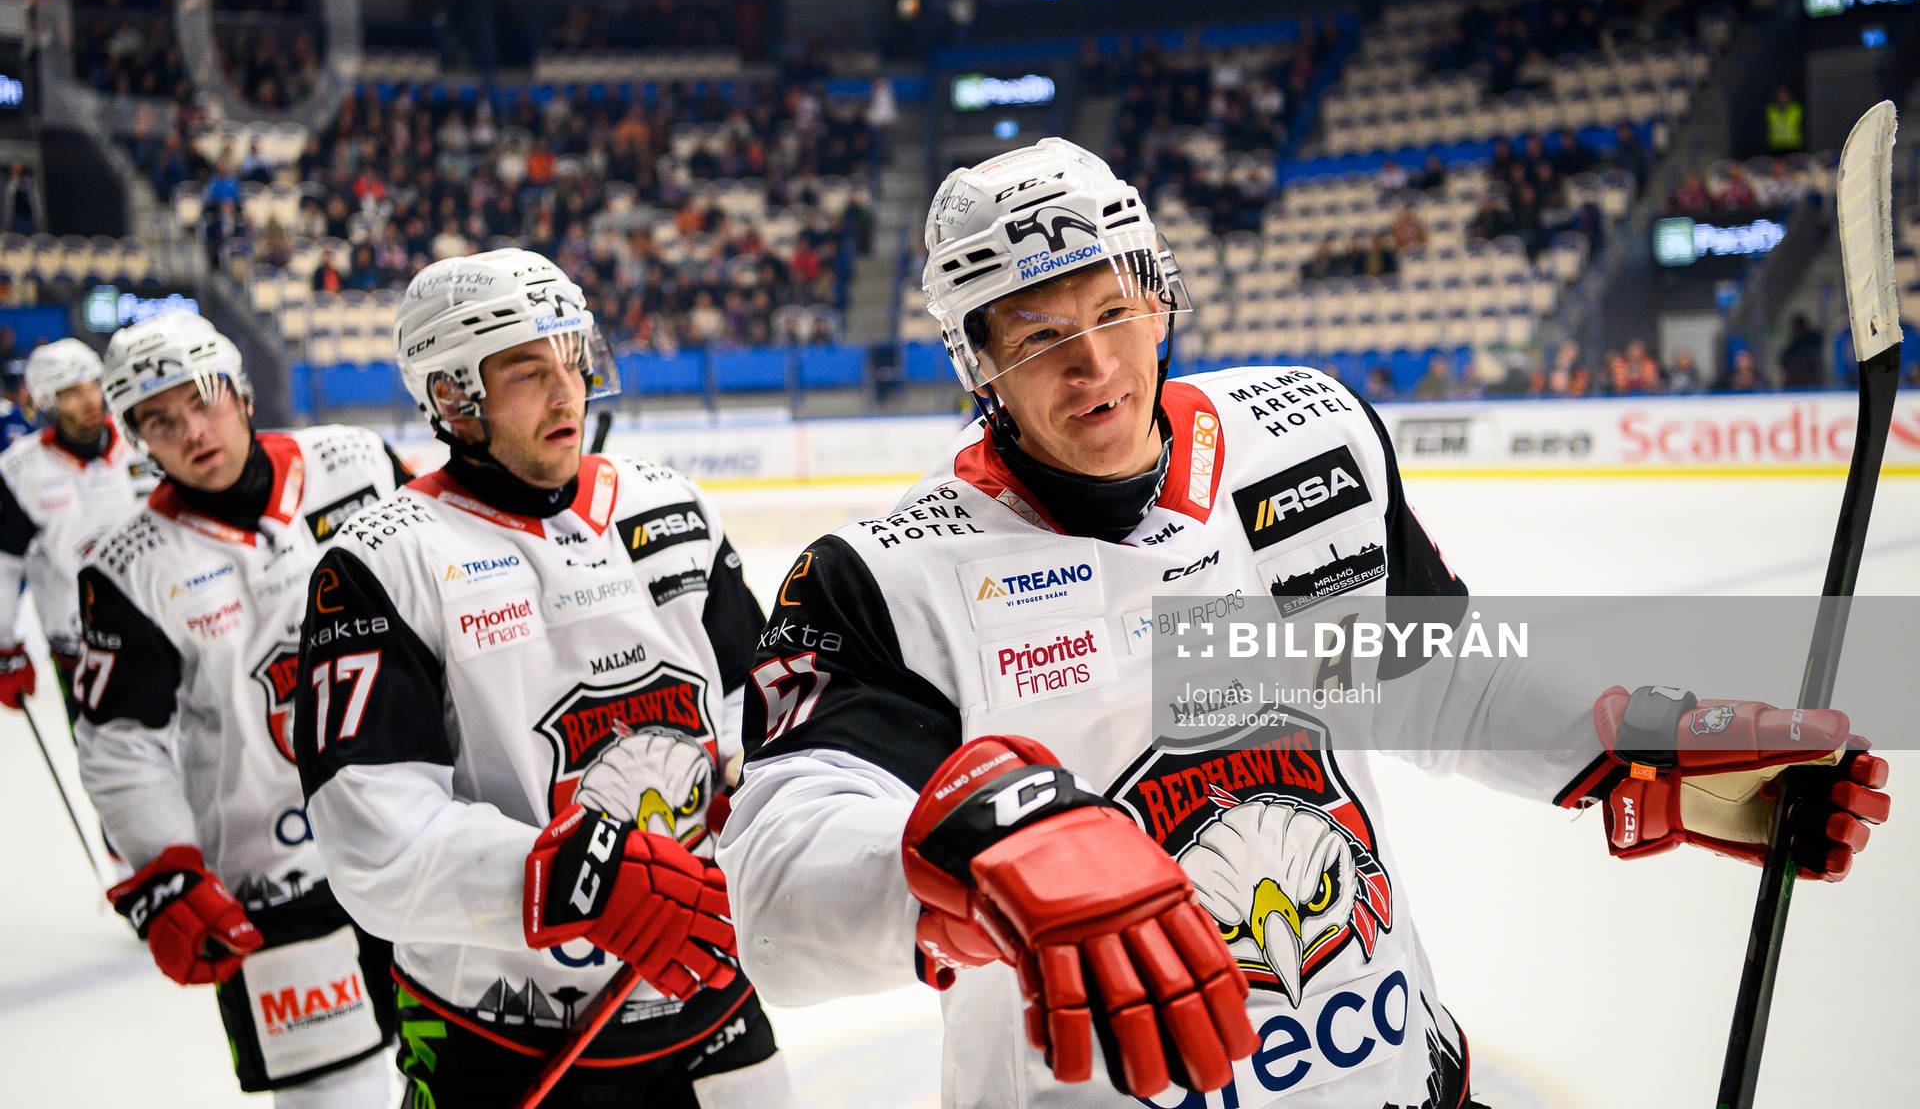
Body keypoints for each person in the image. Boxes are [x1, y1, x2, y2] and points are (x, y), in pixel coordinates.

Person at [715, 138, 1891, 1107]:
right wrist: (967, 853)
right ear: (977, 362)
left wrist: (1637, 748)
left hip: (1407, 1077)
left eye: (1112, 307)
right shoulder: (884, 579)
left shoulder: (1306, 434)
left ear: (1158, 292)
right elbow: (768, 886)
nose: (1095, 365)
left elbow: (1428, 672)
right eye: (1036, 337)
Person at [297, 250, 794, 1108]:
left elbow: (761, 711)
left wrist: (759, 793)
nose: (568, 393)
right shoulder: (385, 561)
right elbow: (371, 839)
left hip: (705, 987)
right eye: (529, 373)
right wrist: (578, 875)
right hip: (496, 1028)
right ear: (453, 398)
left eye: (573, 357)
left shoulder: (668, 508)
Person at [72, 313, 410, 1106]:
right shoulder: (128, 569)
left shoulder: (355, 464)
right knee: (334, 1098)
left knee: (468, 1073)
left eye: (202, 400)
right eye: (160, 420)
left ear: (242, 391)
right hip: (275, 888)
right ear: (136, 439)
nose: (191, 430)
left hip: (422, 834)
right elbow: (122, 742)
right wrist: (166, 868)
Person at [0, 340, 155, 722]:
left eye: (91, 385)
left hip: (166, 631)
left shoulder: (144, 440)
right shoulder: (20, 470)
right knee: (107, 772)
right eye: (71, 392)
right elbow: (4, 565)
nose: (88, 399)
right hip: (82, 650)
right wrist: (4, 646)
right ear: (46, 400)